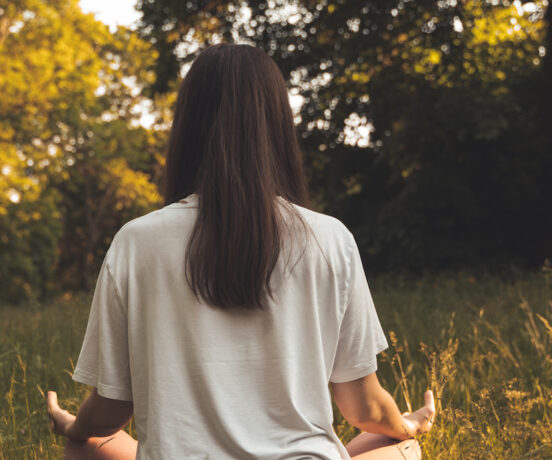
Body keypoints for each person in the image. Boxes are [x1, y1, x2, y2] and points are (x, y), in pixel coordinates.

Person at [47, 43, 435, 459]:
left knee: (83, 447)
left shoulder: (136, 240)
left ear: (188, 128)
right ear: (278, 126)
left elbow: (110, 411)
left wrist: (74, 425)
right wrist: (407, 425)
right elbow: (363, 406)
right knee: (403, 448)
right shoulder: (331, 239)